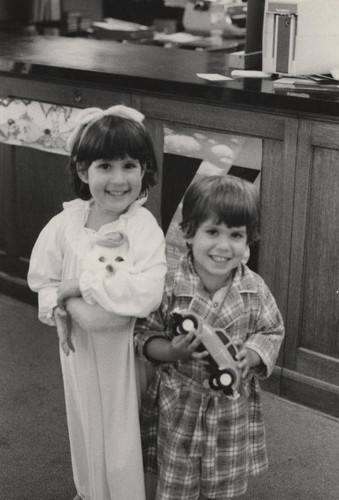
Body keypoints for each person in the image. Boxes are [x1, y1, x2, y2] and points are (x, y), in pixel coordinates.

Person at [27, 105, 167, 500]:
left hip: (126, 352)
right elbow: (43, 280)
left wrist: (80, 285)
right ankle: (90, 491)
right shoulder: (66, 225)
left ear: (145, 171)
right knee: (85, 421)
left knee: (125, 430)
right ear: (82, 170)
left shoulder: (141, 228)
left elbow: (146, 293)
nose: (119, 179)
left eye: (129, 165)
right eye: (105, 166)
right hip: (80, 353)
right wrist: (60, 303)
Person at [134, 174, 284, 499]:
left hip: (229, 410)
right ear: (189, 232)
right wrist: (171, 352)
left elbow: (272, 330)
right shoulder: (168, 283)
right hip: (179, 405)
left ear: (249, 241)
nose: (223, 245)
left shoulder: (254, 289)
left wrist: (255, 354)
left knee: (221, 484)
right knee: (175, 482)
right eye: (212, 231)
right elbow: (142, 336)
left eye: (235, 235)